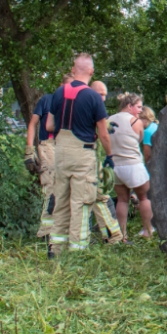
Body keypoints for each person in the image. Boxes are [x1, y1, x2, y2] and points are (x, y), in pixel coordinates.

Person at [45, 53, 112, 255]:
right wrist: (110, 156)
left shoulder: (58, 93)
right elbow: (103, 134)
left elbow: (49, 125)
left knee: (62, 201)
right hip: (82, 154)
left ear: (73, 70)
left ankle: (55, 248)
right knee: (81, 203)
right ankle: (78, 250)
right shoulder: (93, 97)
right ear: (91, 72)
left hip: (61, 153)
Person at [27, 74, 71, 237]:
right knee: (51, 187)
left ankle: (61, 229)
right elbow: (33, 124)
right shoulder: (48, 100)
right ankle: (46, 232)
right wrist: (29, 150)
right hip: (49, 146)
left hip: (66, 147)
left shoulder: (73, 104)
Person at [107, 93, 154, 239]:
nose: (140, 110)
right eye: (138, 107)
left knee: (122, 199)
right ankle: (148, 230)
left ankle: (122, 234)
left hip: (115, 166)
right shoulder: (135, 121)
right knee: (144, 197)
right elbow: (139, 139)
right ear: (129, 106)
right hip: (133, 165)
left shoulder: (109, 119)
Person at [87, 80, 123, 245]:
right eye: (100, 94)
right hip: (87, 158)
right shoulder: (89, 104)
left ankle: (108, 236)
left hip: (91, 156)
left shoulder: (84, 104)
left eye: (105, 95)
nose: (103, 98)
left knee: (94, 196)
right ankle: (113, 237)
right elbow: (102, 134)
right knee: (98, 196)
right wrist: (110, 156)